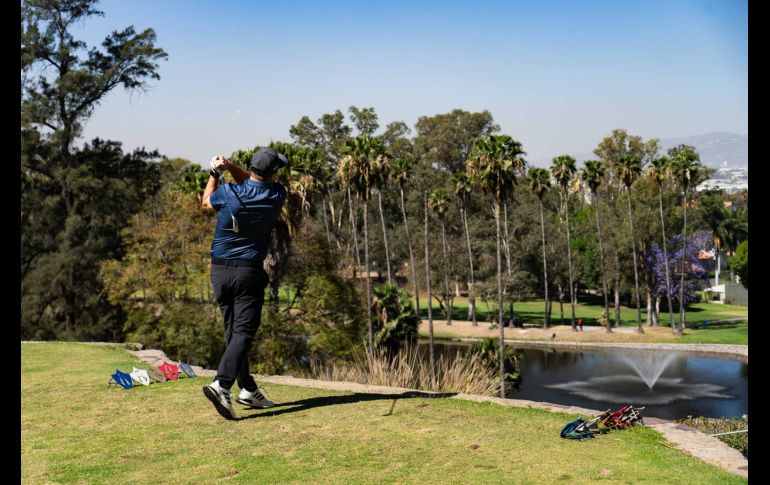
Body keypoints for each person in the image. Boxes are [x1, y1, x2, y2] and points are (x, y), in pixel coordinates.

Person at [200, 147, 288, 420]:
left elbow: (206, 202)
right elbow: (252, 181)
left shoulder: (229, 193)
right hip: (247, 272)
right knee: (243, 332)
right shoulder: (277, 195)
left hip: (219, 271)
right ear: (273, 173)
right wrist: (230, 167)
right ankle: (222, 384)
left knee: (233, 331)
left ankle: (248, 388)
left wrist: (215, 172)